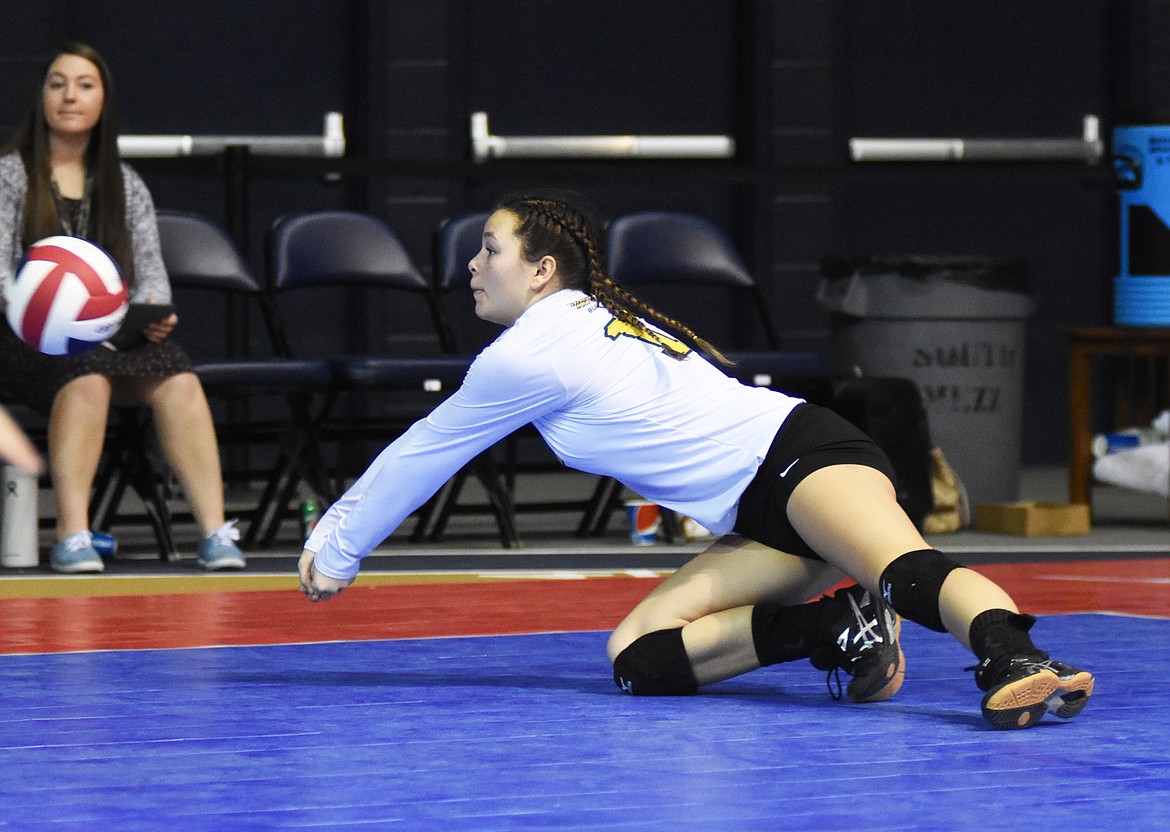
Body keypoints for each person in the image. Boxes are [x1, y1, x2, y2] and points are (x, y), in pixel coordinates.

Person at [298, 190, 1094, 730]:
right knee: (638, 657)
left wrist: (337, 544)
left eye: (489, 249)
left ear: (541, 271)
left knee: (903, 567)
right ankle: (838, 627)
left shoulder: (533, 351)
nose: (471, 265)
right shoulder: (585, 319)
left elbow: (425, 449)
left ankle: (1014, 655)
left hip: (799, 457)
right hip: (758, 514)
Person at [0, 42, 244, 573]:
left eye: (85, 85)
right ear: (41, 96)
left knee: (178, 374)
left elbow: (151, 273)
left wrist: (153, 311)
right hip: (27, 338)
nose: (70, 96)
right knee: (87, 377)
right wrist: (43, 308)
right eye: (57, 83)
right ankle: (72, 533)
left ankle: (214, 530)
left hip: (109, 336)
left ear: (103, 100)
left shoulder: (125, 184)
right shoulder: (9, 176)